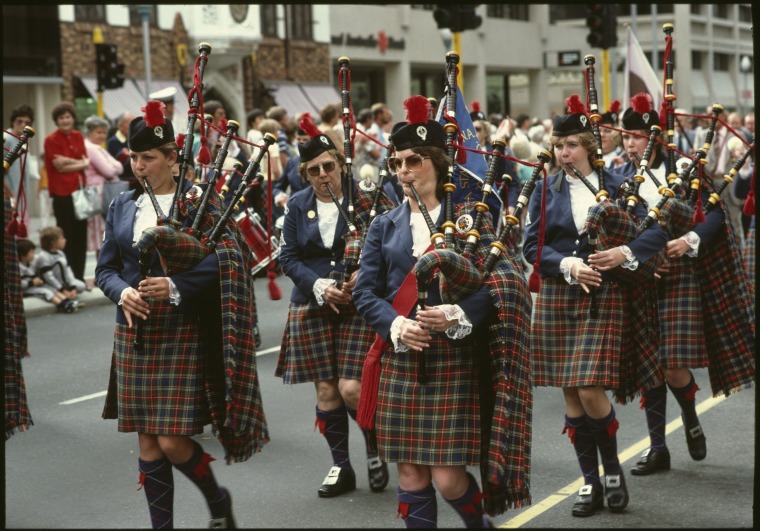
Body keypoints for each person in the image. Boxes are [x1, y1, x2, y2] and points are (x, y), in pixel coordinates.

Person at [353, 96, 533, 527]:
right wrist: (396, 323)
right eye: (397, 163)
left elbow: (507, 284)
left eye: (413, 161)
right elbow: (366, 293)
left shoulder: (473, 219)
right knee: (412, 474)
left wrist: (458, 314)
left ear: (437, 163)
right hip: (402, 354)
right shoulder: (384, 224)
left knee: (449, 479)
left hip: (453, 357)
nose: (403, 172)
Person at [96, 100, 268, 529]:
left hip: (181, 328)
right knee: (149, 444)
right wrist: (122, 295)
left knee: (173, 442)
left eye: (148, 158)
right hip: (134, 332)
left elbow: (230, 261)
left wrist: (175, 286)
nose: (139, 166)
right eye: (133, 157)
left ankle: (217, 498)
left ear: (173, 158)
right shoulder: (122, 206)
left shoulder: (201, 204)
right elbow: (106, 269)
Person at [523, 94, 668, 518]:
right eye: (559, 145)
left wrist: (623, 252)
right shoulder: (544, 189)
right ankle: (590, 482)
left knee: (589, 388)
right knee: (572, 394)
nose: (563, 153)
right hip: (560, 293)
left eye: (571, 145)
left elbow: (655, 233)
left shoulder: (620, 183)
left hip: (604, 296)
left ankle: (611, 471)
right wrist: (568, 264)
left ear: (589, 146)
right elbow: (532, 246)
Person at [615, 96, 756, 478]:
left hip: (677, 274)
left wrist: (689, 239)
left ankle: (690, 416)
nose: (630, 144)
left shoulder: (683, 167)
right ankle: (658, 449)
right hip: (642, 277)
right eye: (626, 136)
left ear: (655, 137)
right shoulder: (619, 177)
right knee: (649, 366)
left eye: (638, 136)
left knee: (672, 364)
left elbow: (715, 216)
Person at [275, 112, 394, 499]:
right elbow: (288, 258)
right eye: (313, 170)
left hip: (359, 304)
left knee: (351, 389)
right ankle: (341, 466)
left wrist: (367, 274)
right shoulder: (297, 206)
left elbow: (393, 242)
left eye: (328, 166)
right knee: (326, 391)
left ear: (342, 164)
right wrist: (320, 286)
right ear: (304, 174)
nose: (322, 175)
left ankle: (374, 447)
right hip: (313, 304)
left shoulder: (368, 197)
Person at [44, 102, 90, 283]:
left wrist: (72, 162)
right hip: (61, 193)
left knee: (81, 237)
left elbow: (86, 161)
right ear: (56, 120)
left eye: (67, 116)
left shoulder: (78, 136)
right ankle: (67, 278)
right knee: (65, 237)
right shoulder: (51, 140)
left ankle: (79, 277)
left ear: (73, 118)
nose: (65, 120)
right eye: (61, 117)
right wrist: (80, 163)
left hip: (79, 193)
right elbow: (59, 167)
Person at [83, 115, 123, 260]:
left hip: (102, 192)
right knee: (102, 233)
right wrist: (113, 167)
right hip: (98, 194)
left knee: (104, 232)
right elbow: (110, 170)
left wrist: (114, 167)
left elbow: (118, 166)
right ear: (90, 132)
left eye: (103, 132)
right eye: (98, 132)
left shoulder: (97, 148)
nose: (102, 135)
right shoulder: (91, 148)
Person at [17, 238, 78, 313]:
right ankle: (62, 304)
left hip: (33, 285)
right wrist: (31, 283)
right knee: (45, 292)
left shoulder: (30, 264)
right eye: (31, 252)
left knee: (51, 288)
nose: (34, 254)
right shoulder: (19, 267)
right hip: (25, 289)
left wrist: (37, 280)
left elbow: (34, 275)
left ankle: (67, 300)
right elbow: (19, 283)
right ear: (23, 255)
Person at [33, 225, 86, 308]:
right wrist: (62, 289)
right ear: (52, 242)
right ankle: (64, 295)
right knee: (51, 288)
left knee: (81, 285)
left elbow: (68, 271)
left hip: (64, 282)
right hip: (51, 284)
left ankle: (69, 292)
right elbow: (49, 278)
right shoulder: (43, 256)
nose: (65, 240)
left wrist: (73, 287)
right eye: (62, 238)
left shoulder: (61, 253)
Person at [107, 111, 138, 190]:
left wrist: (130, 154)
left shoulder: (134, 139)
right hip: (124, 183)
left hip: (137, 180)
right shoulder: (113, 141)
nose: (135, 126)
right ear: (120, 126)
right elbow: (122, 164)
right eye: (131, 124)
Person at [599, 100, 625, 169]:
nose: (601, 135)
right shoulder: (589, 158)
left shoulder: (626, 157)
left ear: (617, 134)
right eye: (598, 131)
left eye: (607, 131)